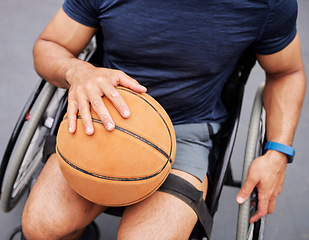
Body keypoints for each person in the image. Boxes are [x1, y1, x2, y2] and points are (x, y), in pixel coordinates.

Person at [21, 0, 306, 239]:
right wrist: (78, 71)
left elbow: (286, 73)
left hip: (185, 131)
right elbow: (50, 44)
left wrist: (278, 153)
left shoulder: (266, 3)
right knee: (42, 227)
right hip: (105, 118)